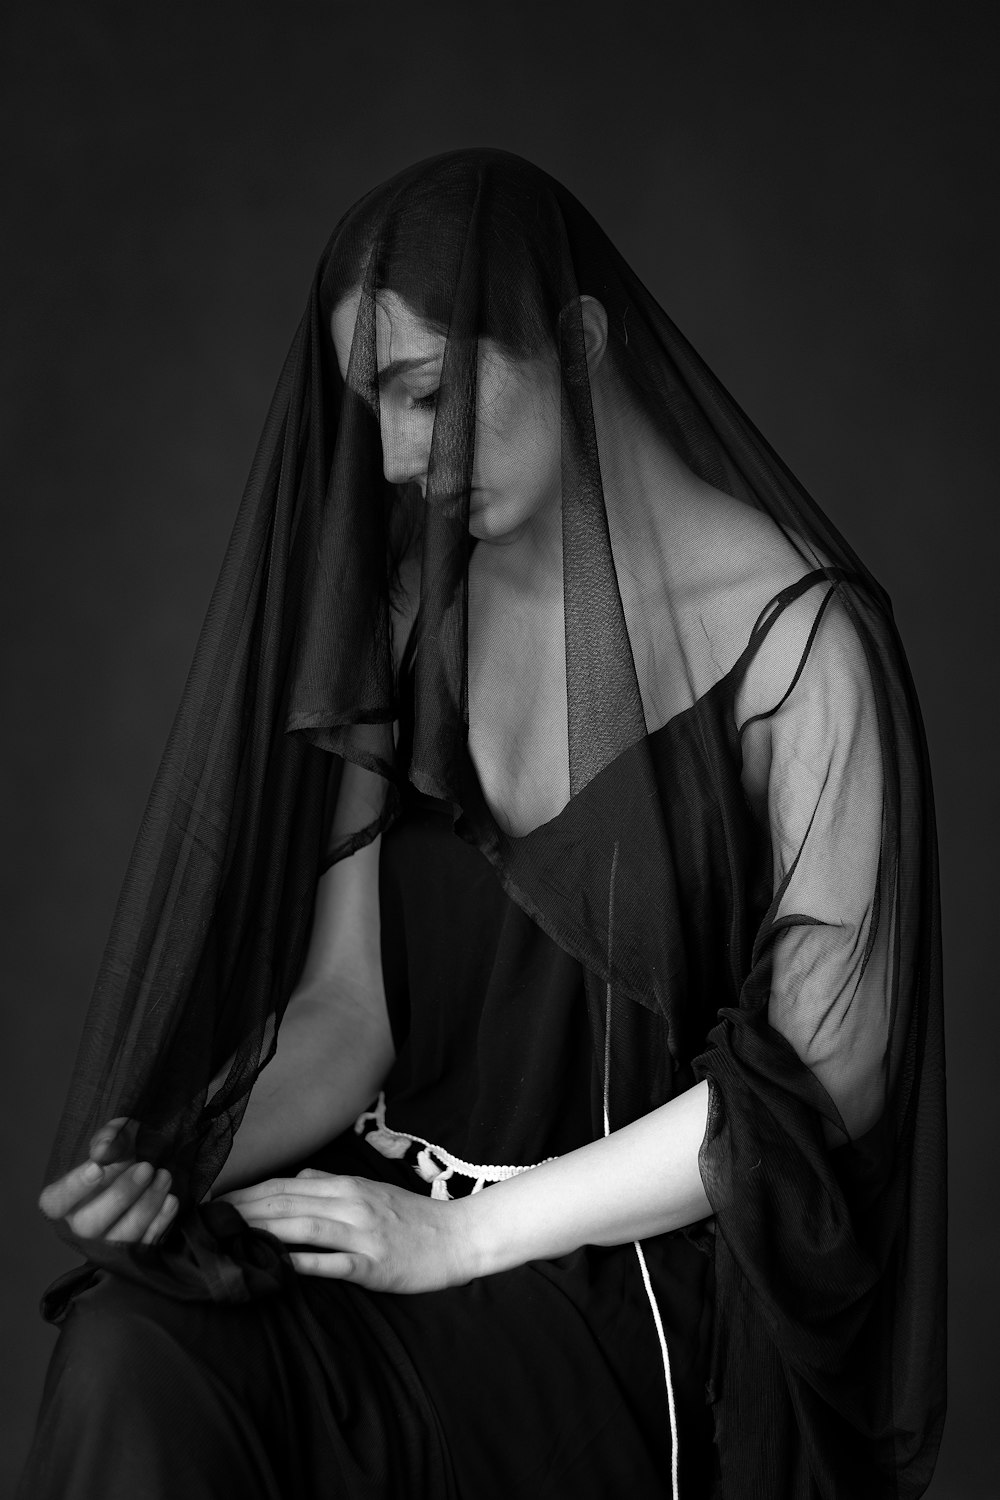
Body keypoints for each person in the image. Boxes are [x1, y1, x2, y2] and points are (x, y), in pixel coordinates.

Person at [19, 148, 946, 1499]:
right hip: (379, 1217)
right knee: (129, 1345)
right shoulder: (414, 614)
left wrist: (456, 1241)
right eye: (374, 411)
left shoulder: (803, 649)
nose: (397, 459)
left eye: (429, 395)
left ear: (574, 340)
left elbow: (827, 1085)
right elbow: (353, 1018)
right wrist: (183, 1145)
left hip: (613, 1296)